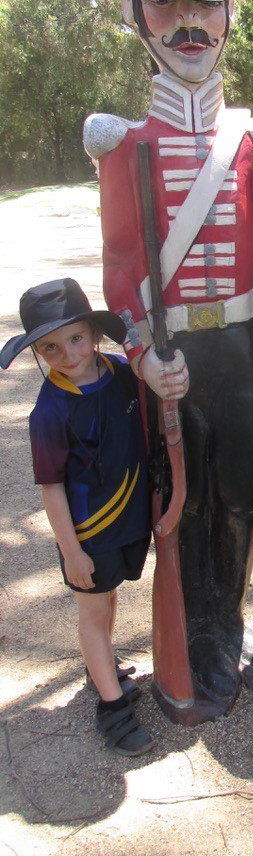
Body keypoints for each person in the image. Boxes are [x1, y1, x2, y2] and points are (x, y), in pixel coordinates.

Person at [83, 0, 253, 718]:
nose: (189, 25)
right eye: (170, 5)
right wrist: (141, 353)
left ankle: (226, 625)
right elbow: (122, 269)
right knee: (184, 495)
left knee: (240, 495)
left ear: (230, 13)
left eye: (205, 4)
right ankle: (193, 635)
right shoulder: (124, 148)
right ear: (140, 12)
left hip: (239, 347)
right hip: (171, 356)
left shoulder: (252, 146)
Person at [0, 279, 156, 756]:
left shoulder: (121, 373)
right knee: (93, 610)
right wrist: (71, 552)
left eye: (75, 338)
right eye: (50, 347)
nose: (68, 354)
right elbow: (51, 488)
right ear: (37, 352)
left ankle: (100, 666)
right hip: (89, 532)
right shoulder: (50, 411)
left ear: (94, 333)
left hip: (129, 520)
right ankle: (111, 707)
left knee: (108, 599)